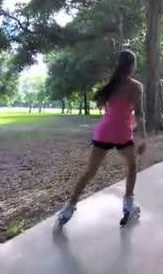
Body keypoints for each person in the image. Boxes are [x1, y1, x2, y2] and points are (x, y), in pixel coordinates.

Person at [55, 50, 146, 228]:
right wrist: (143, 138)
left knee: (90, 171)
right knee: (132, 165)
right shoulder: (136, 86)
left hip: (104, 131)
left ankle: (68, 208)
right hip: (121, 133)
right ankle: (128, 205)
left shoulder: (110, 84)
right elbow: (140, 113)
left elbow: (103, 105)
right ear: (133, 65)